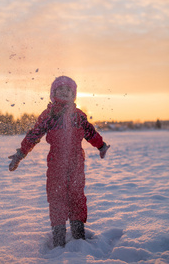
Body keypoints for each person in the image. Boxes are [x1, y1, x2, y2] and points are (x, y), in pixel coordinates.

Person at [8, 76, 110, 248]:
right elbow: (34, 135)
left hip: (77, 162)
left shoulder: (79, 116)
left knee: (77, 196)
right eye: (60, 90)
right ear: (52, 94)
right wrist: (20, 154)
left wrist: (101, 146)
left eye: (68, 90)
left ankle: (78, 235)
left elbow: (91, 133)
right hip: (56, 163)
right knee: (57, 197)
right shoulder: (49, 115)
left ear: (74, 95)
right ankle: (58, 238)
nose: (64, 92)